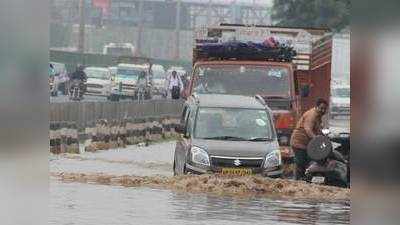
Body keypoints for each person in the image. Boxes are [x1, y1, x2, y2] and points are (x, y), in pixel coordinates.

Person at [290, 98, 328, 180]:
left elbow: (318, 130)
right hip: (299, 142)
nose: (323, 110)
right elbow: (308, 130)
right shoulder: (312, 115)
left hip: (306, 144)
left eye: (324, 109)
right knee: (301, 162)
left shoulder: (318, 116)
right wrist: (317, 140)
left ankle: (305, 179)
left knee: (307, 161)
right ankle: (298, 181)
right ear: (316, 107)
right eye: (321, 108)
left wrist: (325, 138)